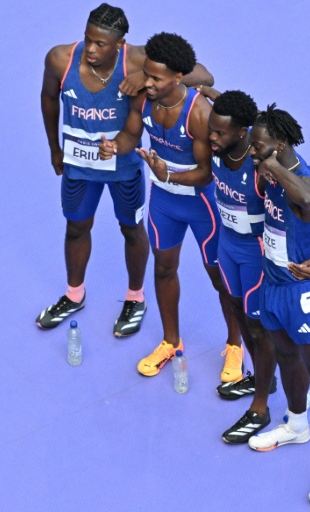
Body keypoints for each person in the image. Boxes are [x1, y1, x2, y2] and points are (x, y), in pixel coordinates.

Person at [36, 4, 213, 337]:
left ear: (119, 44)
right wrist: (54, 148)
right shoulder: (60, 59)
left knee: (132, 230)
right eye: (88, 39)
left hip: (124, 168)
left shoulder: (137, 61)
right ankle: (74, 294)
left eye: (101, 44)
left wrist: (141, 77)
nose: (91, 48)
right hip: (79, 165)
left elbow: (203, 75)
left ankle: (135, 297)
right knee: (76, 227)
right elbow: (48, 97)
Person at [99, 32, 241, 378]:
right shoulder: (143, 99)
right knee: (163, 268)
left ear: (179, 77)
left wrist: (168, 175)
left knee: (221, 280)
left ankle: (235, 346)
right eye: (145, 73)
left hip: (202, 206)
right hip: (163, 203)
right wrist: (115, 147)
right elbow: (132, 134)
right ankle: (170, 341)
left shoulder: (198, 114)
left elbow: (207, 174)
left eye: (155, 78)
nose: (146, 82)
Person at [199, 89, 310, 444]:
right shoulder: (221, 149)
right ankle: (263, 377)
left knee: (259, 328)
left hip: (257, 253)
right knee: (238, 312)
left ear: (242, 134)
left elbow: (306, 217)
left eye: (219, 132)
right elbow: (205, 83)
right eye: (212, 130)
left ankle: (261, 406)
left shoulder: (262, 172)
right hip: (228, 245)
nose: (212, 136)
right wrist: (207, 89)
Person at [244, 104, 310, 505]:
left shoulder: (301, 181)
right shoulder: (269, 163)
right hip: (273, 284)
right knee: (287, 359)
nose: (253, 153)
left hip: (305, 295)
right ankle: (296, 424)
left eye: (259, 148)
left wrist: (273, 167)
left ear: (281, 145)